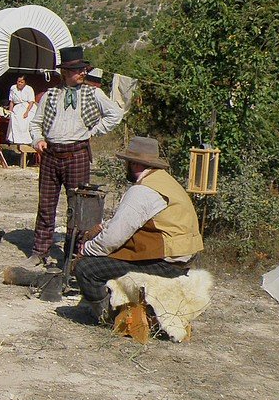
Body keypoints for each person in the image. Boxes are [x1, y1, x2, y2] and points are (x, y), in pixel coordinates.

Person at [74, 136, 204, 321]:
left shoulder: (143, 191)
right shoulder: (165, 181)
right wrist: (103, 228)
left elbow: (113, 239)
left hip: (168, 263)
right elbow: (128, 222)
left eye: (128, 162)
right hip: (183, 256)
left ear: (135, 164)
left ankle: (108, 317)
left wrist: (86, 250)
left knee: (87, 268)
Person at [27, 46, 123, 268]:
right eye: (77, 70)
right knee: (46, 205)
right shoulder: (51, 95)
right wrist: (37, 140)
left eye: (83, 69)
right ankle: (39, 251)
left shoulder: (93, 93)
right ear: (65, 73)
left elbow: (115, 114)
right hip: (51, 154)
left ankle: (74, 255)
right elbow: (35, 124)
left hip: (77, 153)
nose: (82, 73)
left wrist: (94, 131)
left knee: (80, 208)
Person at [6, 75, 36, 149]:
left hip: (28, 106)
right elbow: (12, 102)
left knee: (27, 119)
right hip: (18, 107)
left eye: (21, 82)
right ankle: (16, 139)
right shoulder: (13, 88)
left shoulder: (29, 89)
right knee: (15, 118)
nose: (19, 83)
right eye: (18, 81)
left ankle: (27, 139)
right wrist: (10, 111)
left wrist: (27, 112)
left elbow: (31, 102)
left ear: (25, 83)